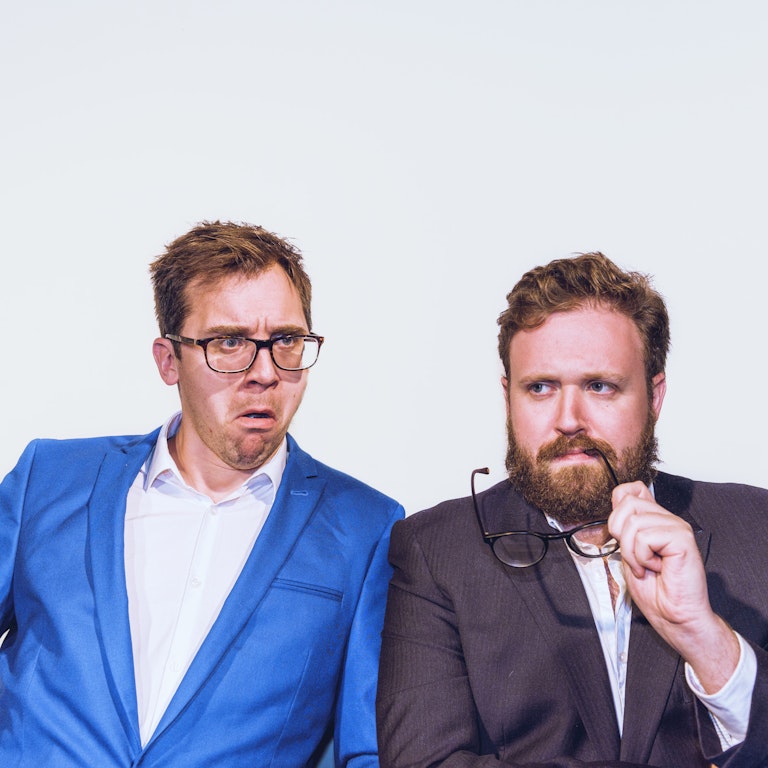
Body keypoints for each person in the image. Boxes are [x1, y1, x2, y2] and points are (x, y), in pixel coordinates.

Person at [0, 221, 404, 767]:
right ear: (169, 360)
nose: (265, 373)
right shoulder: (48, 479)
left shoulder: (366, 529)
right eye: (230, 342)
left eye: (286, 340)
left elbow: (367, 751)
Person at [376, 252, 768, 767]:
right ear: (508, 398)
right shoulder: (435, 550)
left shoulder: (756, 527)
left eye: (599, 386)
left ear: (654, 396)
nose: (568, 419)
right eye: (540, 388)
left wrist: (703, 636)